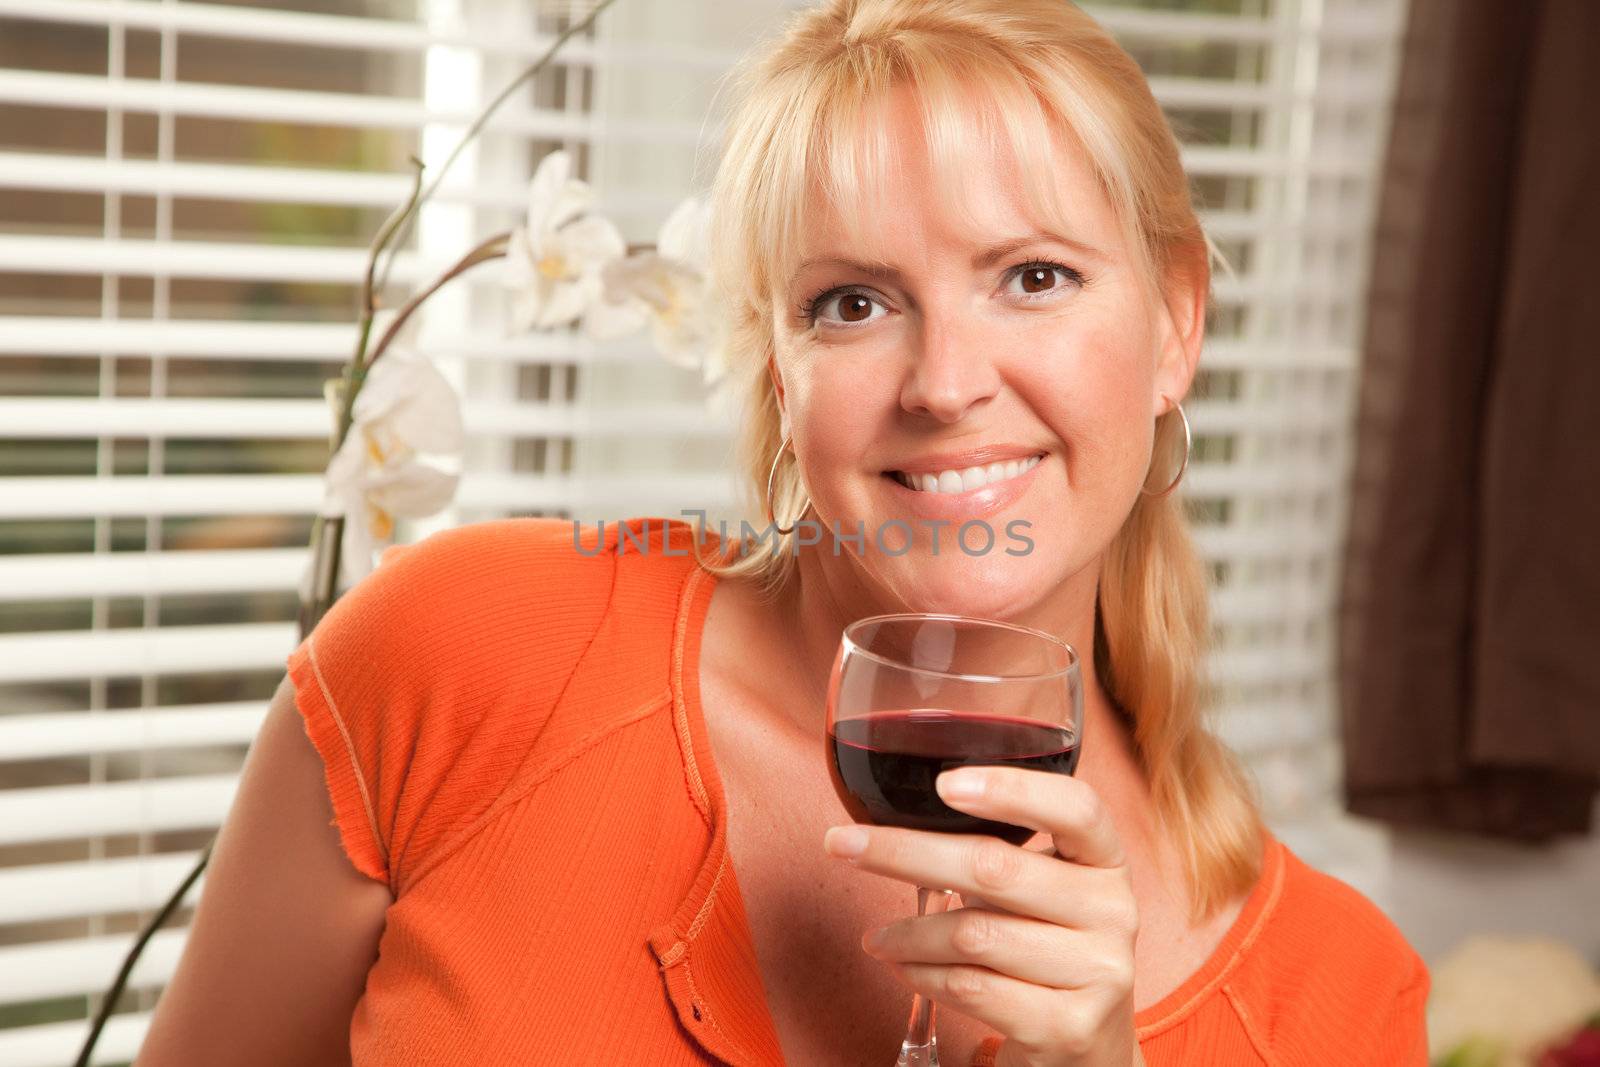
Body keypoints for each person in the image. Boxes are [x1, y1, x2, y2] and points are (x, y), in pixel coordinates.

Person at [134, 2, 1429, 1065]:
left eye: (1035, 277)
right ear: (776, 374)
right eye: (854, 302)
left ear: (1177, 325)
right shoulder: (469, 653)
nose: (944, 383)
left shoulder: (1342, 1004)